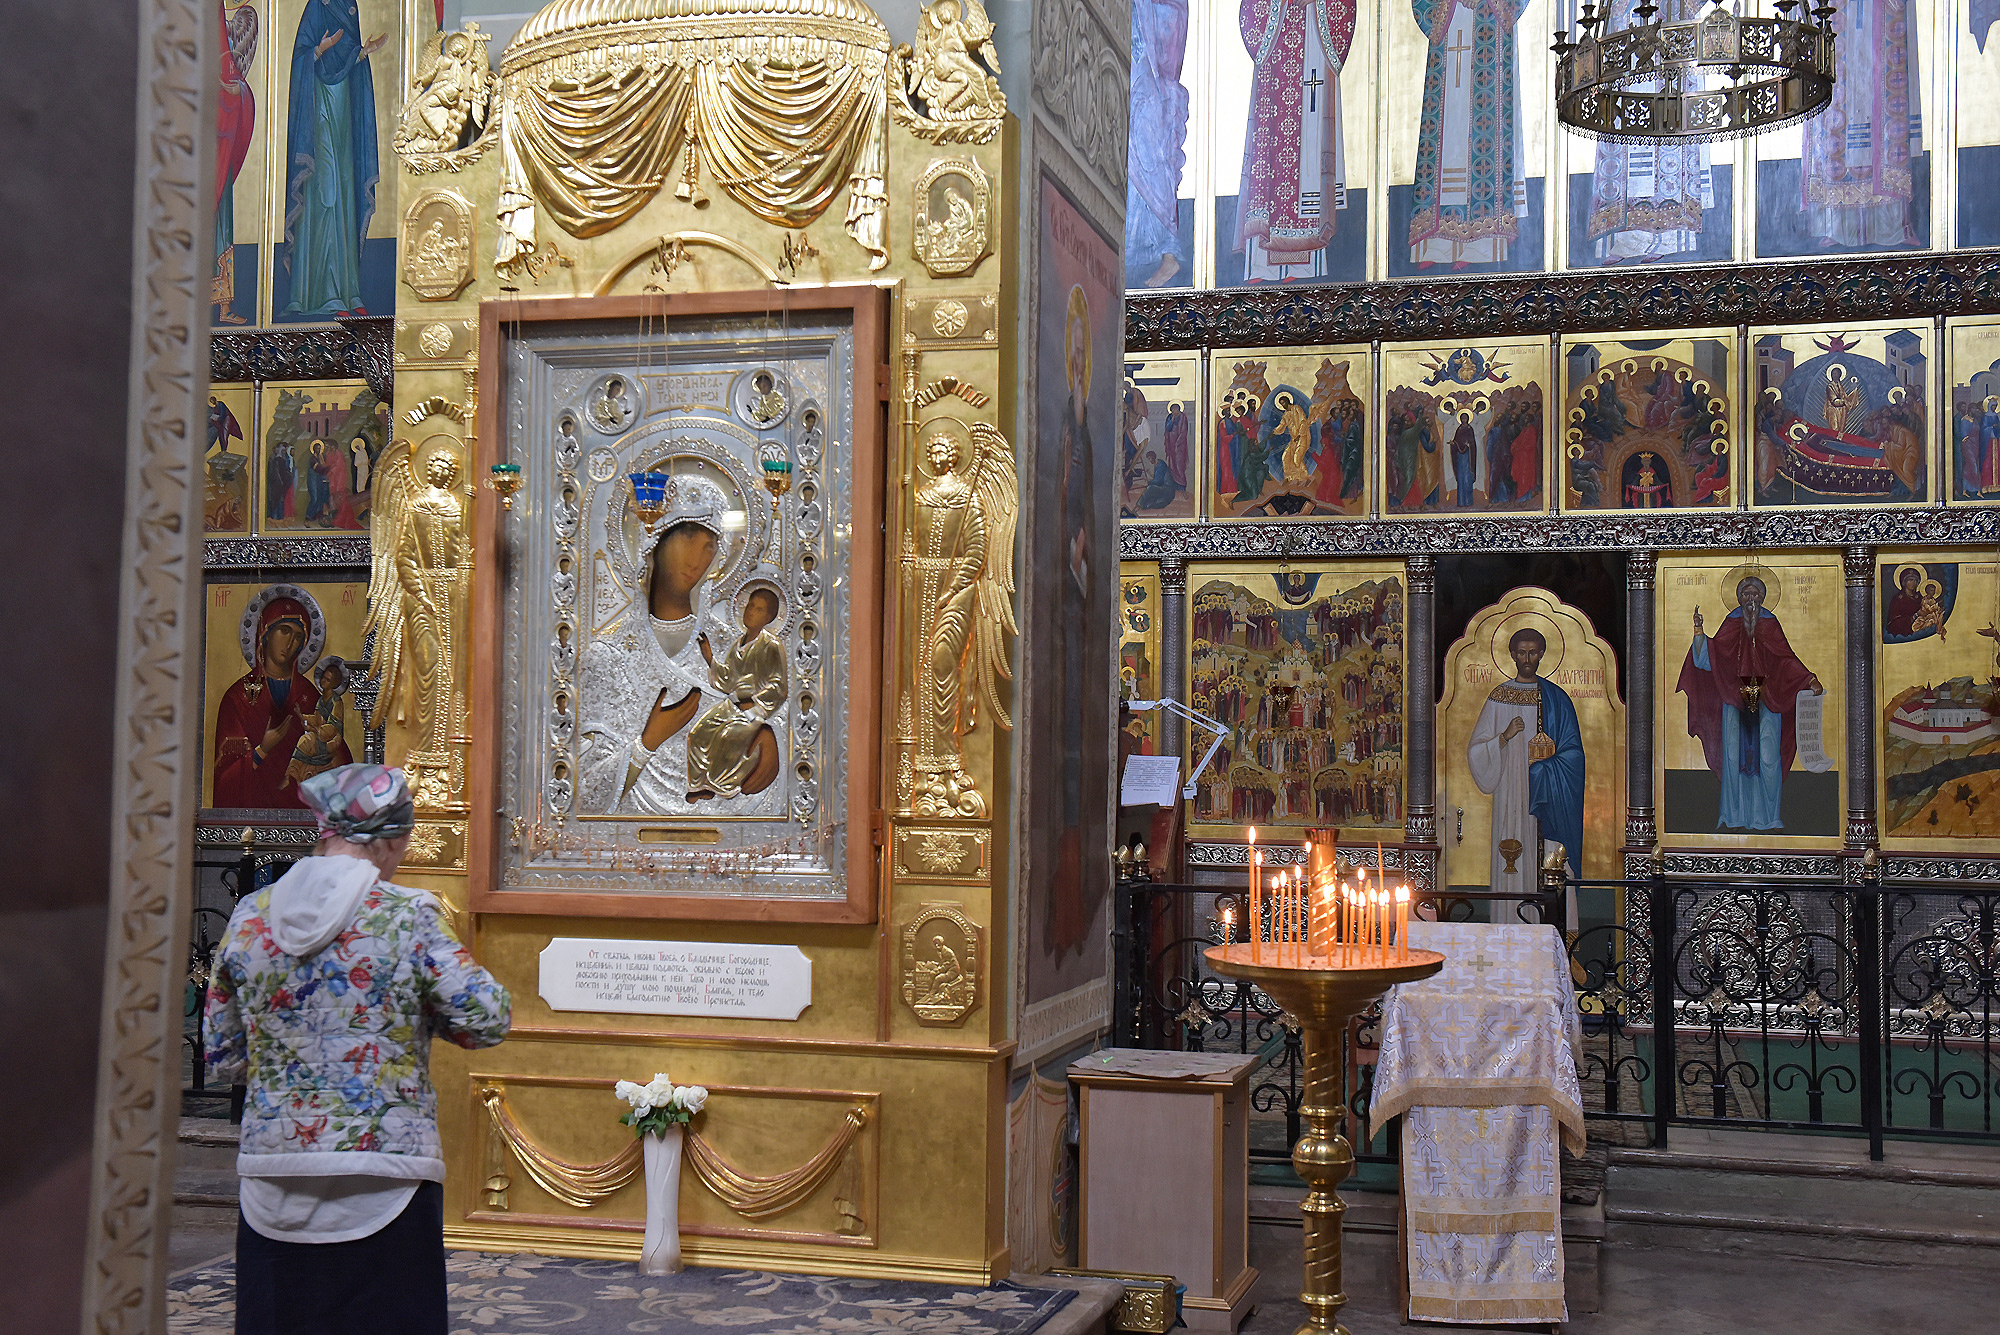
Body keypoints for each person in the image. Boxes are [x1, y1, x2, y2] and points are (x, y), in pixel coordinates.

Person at [205, 764, 510, 1335]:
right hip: (386, 1175)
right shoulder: (409, 916)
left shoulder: (249, 917)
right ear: (390, 840)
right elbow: (486, 1019)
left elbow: (222, 1054)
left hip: (273, 1174)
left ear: (325, 832)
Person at [577, 475, 734, 814]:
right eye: (688, 536)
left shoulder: (729, 648)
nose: (696, 557)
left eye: (709, 545)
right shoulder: (608, 656)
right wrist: (647, 743)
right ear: (655, 541)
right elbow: (585, 794)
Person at [1676, 575, 1824, 831]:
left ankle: (1769, 817)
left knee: (1768, 757)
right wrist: (1699, 632)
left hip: (1768, 698)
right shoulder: (1732, 622)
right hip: (1734, 699)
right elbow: (1712, 656)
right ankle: (1733, 816)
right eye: (1746, 594)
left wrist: (1809, 679)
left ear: (1763, 598)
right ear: (1739, 598)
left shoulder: (1770, 623)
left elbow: (1785, 659)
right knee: (1733, 757)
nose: (1751, 600)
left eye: (1755, 594)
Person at [1468, 628, 1584, 895]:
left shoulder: (1557, 699)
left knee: (1547, 858)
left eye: (1533, 653)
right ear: (1512, 655)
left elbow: (1574, 754)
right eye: (1521, 653)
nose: (1527, 659)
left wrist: (1545, 769)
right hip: (1509, 790)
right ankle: (1511, 919)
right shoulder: (1499, 697)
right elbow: (1476, 750)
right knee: (1512, 856)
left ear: (1541, 654)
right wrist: (1504, 737)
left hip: (1547, 794)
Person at [213, 594, 339, 809]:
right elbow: (224, 778)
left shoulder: (309, 695)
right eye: (284, 631)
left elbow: (338, 760)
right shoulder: (237, 697)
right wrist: (263, 750)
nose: (290, 643)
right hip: (250, 815)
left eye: (298, 637)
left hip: (302, 812)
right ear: (265, 633)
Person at [685, 585, 788, 802]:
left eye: (759, 609)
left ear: (769, 617)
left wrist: (755, 705)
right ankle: (697, 784)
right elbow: (729, 680)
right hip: (731, 706)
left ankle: (721, 786)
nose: (751, 611)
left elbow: (778, 686)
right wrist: (710, 658)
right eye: (750, 605)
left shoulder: (770, 645)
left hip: (755, 711)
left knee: (728, 738)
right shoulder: (737, 644)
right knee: (698, 733)